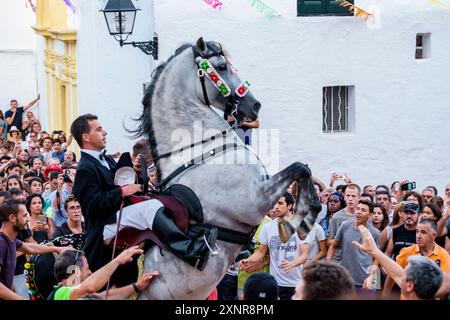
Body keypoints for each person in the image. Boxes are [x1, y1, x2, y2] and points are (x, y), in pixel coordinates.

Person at [70, 114, 217, 274]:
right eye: (98, 130)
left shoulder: (108, 160)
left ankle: (194, 233)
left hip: (120, 213)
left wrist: (138, 175)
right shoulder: (84, 169)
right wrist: (123, 191)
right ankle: (190, 252)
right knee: (150, 208)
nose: (105, 132)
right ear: (86, 137)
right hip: (104, 226)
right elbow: (93, 206)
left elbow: (122, 182)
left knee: (160, 200)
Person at [239, 192, 311, 300]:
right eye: (274, 204)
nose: (276, 207)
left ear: (290, 206)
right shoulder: (267, 227)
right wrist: (248, 260)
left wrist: (292, 263)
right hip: (275, 282)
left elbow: (305, 255)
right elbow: (260, 253)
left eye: (280, 203)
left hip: (295, 282)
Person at [0, 199, 71, 300]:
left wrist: (58, 249)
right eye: (24, 216)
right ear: (12, 218)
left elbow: (30, 248)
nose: (28, 219)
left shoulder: (11, 240)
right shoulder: (1, 242)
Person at [353, 225, 445, 300]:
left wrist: (374, 250)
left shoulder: (443, 255)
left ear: (409, 286)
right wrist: (374, 250)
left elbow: (398, 275)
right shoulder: (425, 291)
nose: (400, 275)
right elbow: (396, 273)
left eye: (404, 275)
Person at [51, 246, 159, 300]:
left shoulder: (74, 294)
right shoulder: (59, 293)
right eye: (87, 268)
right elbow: (89, 287)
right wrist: (118, 260)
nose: (90, 273)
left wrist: (136, 286)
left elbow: (104, 296)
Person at [384, 218, 450, 299]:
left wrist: (424, 296)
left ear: (434, 235)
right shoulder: (406, 252)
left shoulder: (444, 255)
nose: (418, 236)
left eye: (423, 232)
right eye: (417, 231)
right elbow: (392, 275)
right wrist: (385, 296)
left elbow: (446, 284)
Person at [326, 200, 380, 296]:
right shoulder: (345, 226)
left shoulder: (375, 233)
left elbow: (377, 257)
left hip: (365, 281)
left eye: (363, 210)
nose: (359, 212)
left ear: (370, 215)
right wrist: (329, 264)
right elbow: (333, 245)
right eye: (358, 209)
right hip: (344, 280)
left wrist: (371, 276)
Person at [328, 184, 361, 262]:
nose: (350, 199)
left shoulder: (364, 215)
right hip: (340, 259)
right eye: (348, 195)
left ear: (359, 197)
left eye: (353, 196)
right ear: (344, 196)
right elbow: (330, 241)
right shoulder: (337, 217)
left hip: (358, 259)